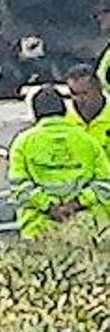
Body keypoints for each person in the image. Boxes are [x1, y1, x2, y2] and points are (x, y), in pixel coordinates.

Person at [8, 86, 110, 240]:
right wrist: (76, 204)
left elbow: (20, 187)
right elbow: (104, 184)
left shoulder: (22, 143)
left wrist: (49, 206)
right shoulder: (88, 141)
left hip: (37, 229)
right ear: (64, 111)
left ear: (35, 114)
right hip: (85, 227)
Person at [66, 63, 110, 150]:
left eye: (85, 93)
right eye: (74, 94)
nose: (80, 99)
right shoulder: (65, 121)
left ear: (99, 90)